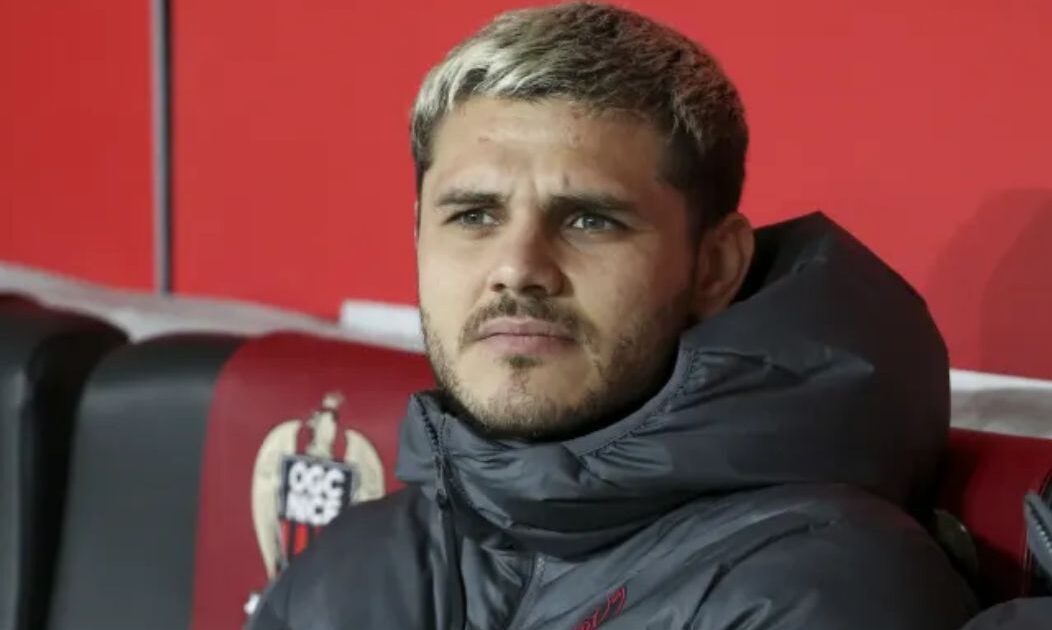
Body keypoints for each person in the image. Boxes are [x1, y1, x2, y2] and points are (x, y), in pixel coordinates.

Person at [248, 3, 977, 628]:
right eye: (473, 215)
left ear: (714, 266)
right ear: (417, 236)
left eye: (589, 220)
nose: (517, 267)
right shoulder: (346, 572)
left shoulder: (818, 589)